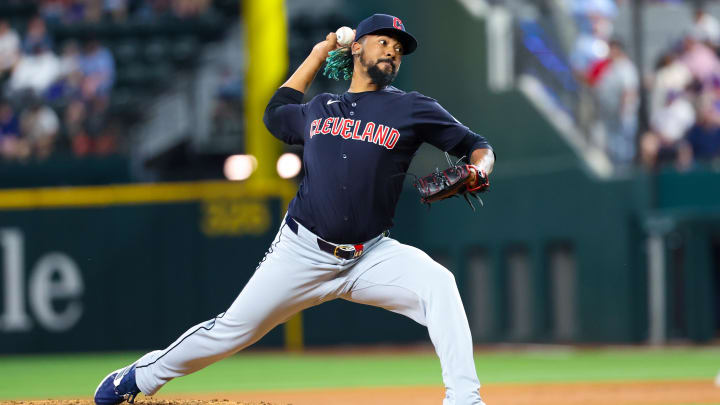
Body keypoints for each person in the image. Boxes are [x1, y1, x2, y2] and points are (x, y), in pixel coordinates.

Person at [93, 14, 495, 405]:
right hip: (302, 251)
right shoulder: (320, 107)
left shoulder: (412, 107)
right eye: (384, 41)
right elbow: (274, 112)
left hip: (370, 254)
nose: (392, 51)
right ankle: (140, 377)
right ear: (357, 47)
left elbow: (478, 145)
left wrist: (478, 167)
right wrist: (318, 53)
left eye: (399, 49)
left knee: (439, 284)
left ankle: (465, 399)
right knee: (231, 331)